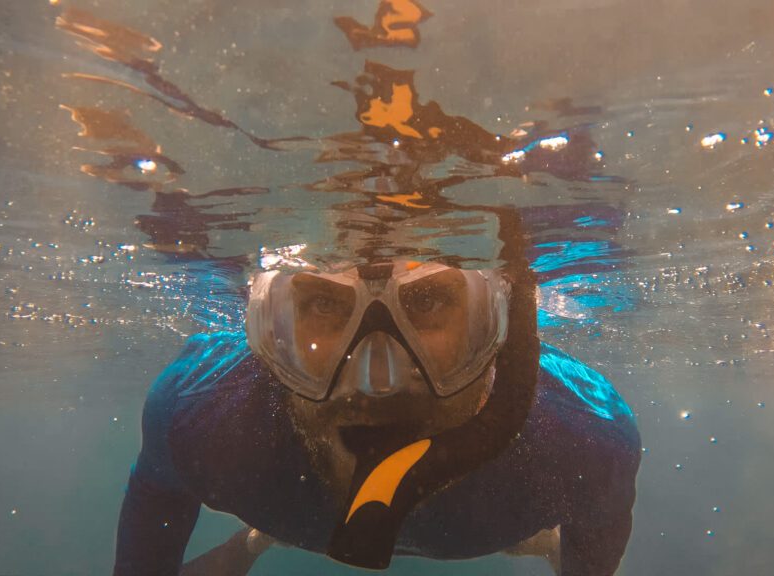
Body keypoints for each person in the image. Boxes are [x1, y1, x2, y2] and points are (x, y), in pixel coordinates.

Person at [113, 214, 641, 575]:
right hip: (296, 522)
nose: (376, 382)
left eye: (429, 301)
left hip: (489, 525)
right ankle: (255, 539)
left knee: (539, 537)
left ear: (500, 331)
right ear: (271, 335)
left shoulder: (585, 439)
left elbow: (598, 535)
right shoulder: (199, 414)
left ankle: (261, 536)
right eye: (323, 305)